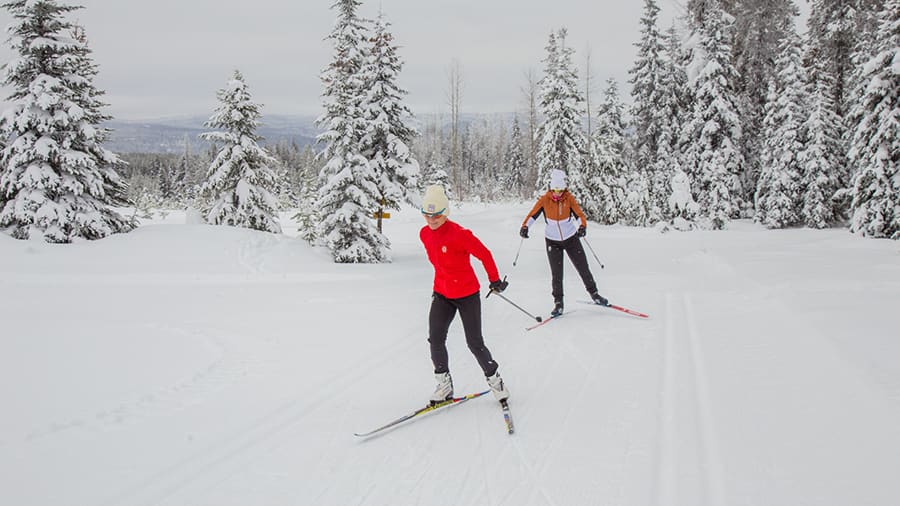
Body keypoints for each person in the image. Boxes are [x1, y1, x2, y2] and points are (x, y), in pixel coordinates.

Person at [419, 185, 510, 405]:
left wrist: (494, 280)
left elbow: (484, 254)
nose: (431, 220)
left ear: (445, 213)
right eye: (427, 215)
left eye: (437, 215)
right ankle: (444, 385)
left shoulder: (460, 234)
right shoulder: (424, 234)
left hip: (467, 293)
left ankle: (495, 381)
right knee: (436, 338)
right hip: (442, 293)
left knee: (474, 342)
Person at [519, 169, 608, 317]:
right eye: (555, 190)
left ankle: (595, 294)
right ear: (551, 188)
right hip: (552, 241)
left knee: (583, 267)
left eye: (560, 190)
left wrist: (582, 226)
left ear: (564, 189)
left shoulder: (569, 198)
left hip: (571, 238)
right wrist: (525, 227)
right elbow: (532, 215)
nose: (557, 194)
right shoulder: (544, 200)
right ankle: (558, 303)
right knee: (557, 274)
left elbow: (579, 214)